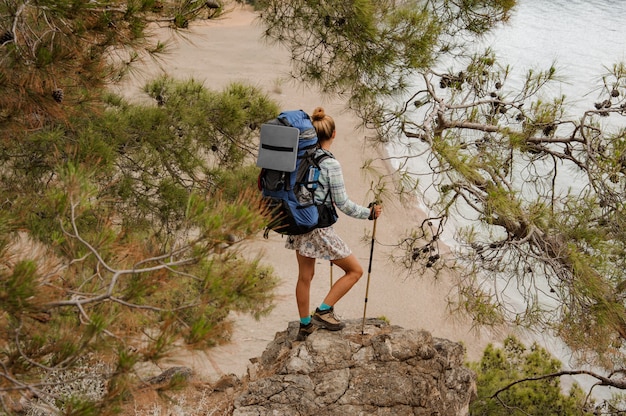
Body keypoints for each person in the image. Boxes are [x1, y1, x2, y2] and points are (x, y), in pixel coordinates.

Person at [286, 107, 382, 341]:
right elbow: (344, 204)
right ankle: (324, 310)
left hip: (298, 222)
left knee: (304, 277)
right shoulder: (330, 165)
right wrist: (369, 214)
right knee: (355, 271)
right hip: (318, 228)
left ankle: (305, 324)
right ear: (334, 134)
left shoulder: (299, 158)